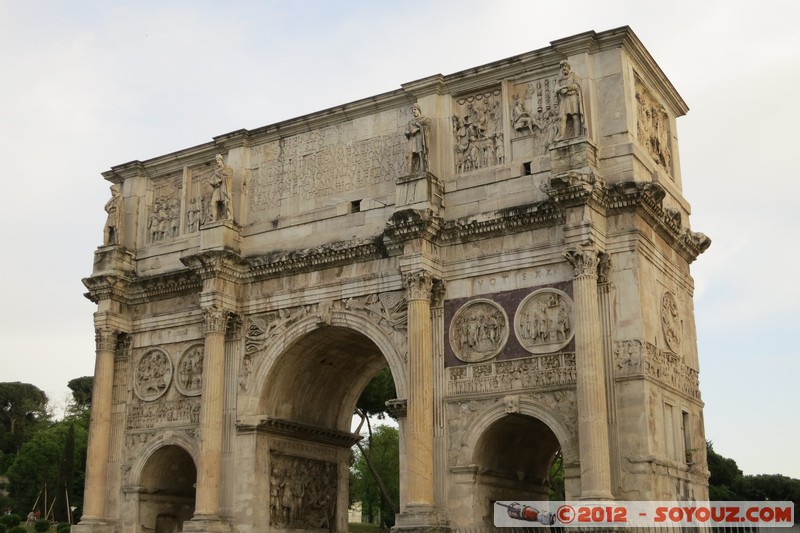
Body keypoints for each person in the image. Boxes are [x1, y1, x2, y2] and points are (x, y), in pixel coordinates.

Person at [555, 60, 585, 140]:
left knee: (575, 116)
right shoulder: (559, 80)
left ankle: (577, 135)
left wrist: (567, 88)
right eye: (562, 67)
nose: (564, 68)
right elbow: (556, 88)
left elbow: (577, 85)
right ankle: (561, 136)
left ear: (569, 67)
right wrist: (561, 89)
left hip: (572, 97)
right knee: (562, 117)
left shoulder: (574, 76)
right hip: (563, 99)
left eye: (565, 66)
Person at [404, 103, 431, 174]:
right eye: (412, 110)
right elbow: (406, 131)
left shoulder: (424, 119)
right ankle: (409, 173)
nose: (413, 111)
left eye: (415, 109)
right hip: (412, 139)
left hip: (419, 138)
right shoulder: (411, 122)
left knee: (421, 154)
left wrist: (418, 128)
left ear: (419, 110)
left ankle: (422, 171)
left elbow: (427, 126)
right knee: (408, 155)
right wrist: (410, 132)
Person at [209, 153, 233, 222]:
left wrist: (221, 179)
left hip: (224, 187)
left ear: (222, 160)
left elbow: (229, 175)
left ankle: (229, 217)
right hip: (217, 188)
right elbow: (211, 181)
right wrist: (215, 182)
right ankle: (214, 220)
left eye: (218, 160)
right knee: (213, 203)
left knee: (226, 202)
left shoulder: (226, 168)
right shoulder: (216, 171)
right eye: (216, 160)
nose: (217, 162)